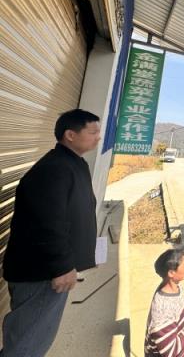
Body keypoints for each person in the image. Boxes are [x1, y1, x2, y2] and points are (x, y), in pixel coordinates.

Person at [1, 109, 102, 356]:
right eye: (93, 132)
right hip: (42, 274)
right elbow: (47, 223)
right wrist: (62, 267)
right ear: (70, 135)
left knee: (32, 338)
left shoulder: (71, 163)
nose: (98, 137)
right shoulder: (54, 169)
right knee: (27, 345)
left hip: (49, 272)